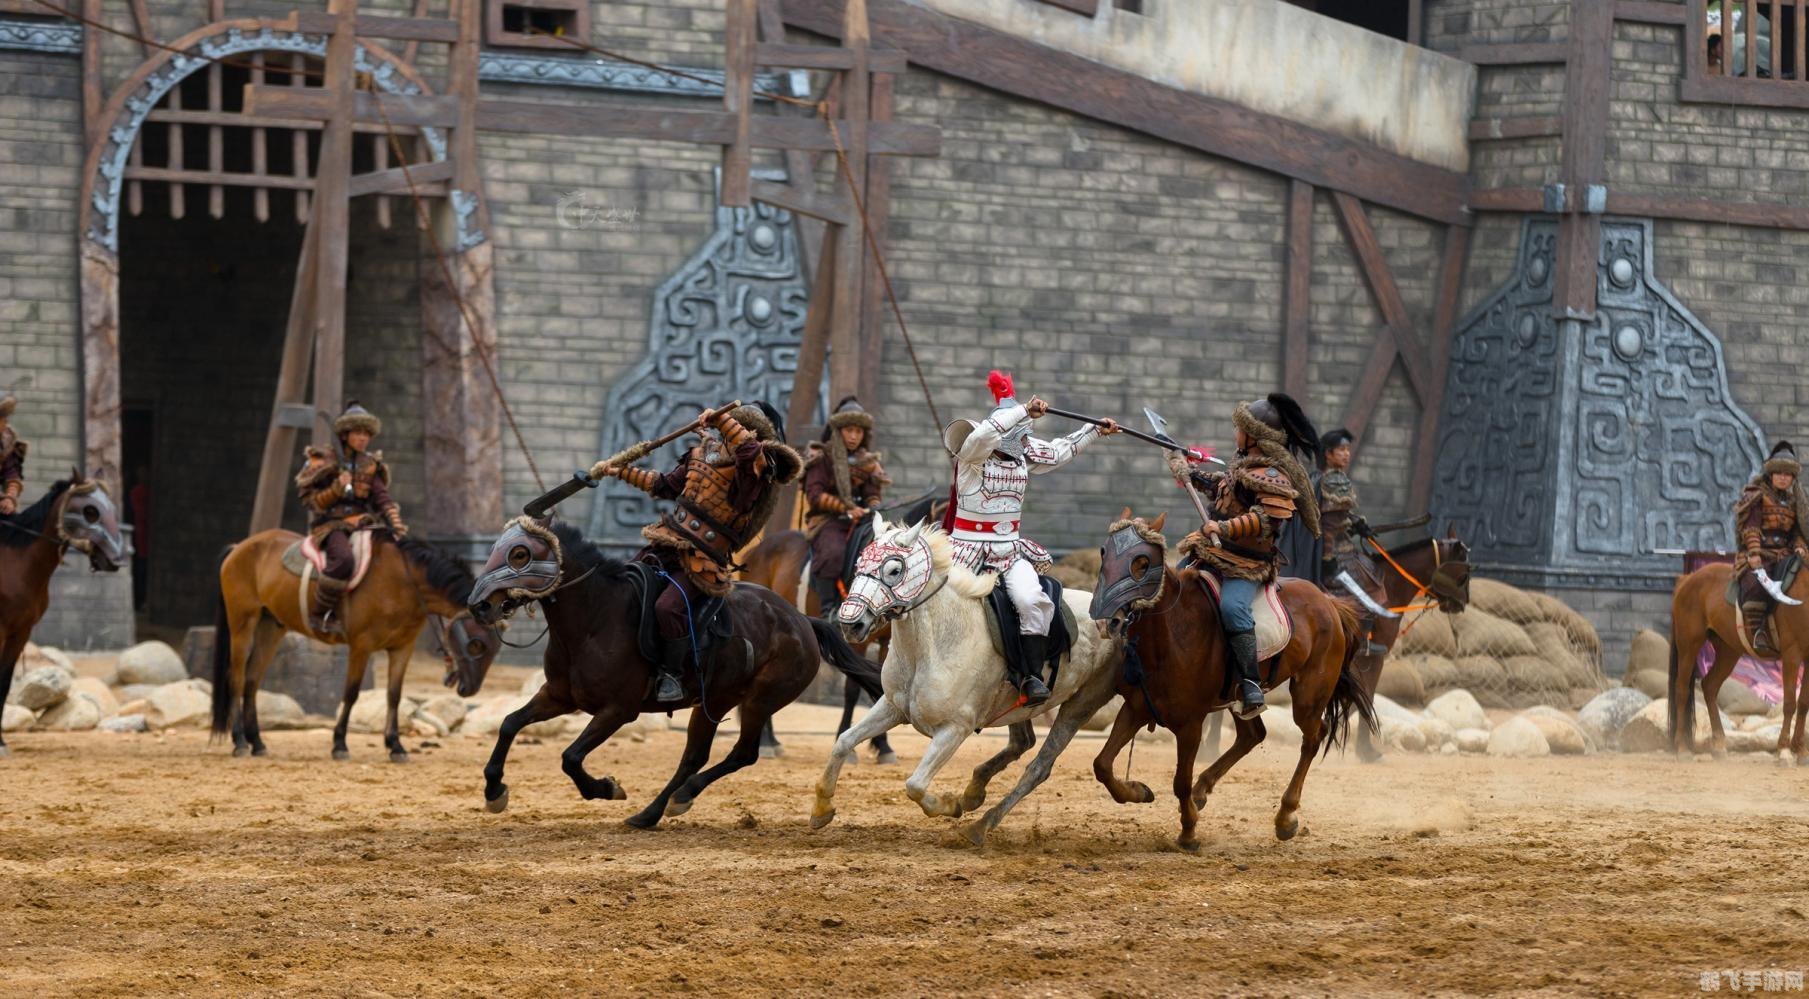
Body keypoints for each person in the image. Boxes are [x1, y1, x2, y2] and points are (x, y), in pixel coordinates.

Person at [592, 401, 802, 704]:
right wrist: (619, 471)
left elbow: (747, 450)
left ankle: (672, 675)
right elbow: (664, 484)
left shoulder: (755, 468)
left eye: (735, 427)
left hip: (703, 560)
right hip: (666, 544)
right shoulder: (702, 453)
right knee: (622, 590)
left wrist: (723, 419)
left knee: (667, 608)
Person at [944, 371, 1119, 707]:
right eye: (1020, 433)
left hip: (1009, 551)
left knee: (1032, 601)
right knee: (935, 598)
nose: (1025, 442)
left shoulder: (1023, 456)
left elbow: (1060, 451)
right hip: (964, 551)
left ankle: (1032, 677)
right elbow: (985, 434)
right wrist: (1023, 409)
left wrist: (1095, 429)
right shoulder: (973, 455)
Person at [1167, 393, 1320, 719]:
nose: (1234, 432)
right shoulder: (1242, 467)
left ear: (1255, 436)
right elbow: (1222, 488)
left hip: (1246, 566)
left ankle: (1250, 684)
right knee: (1169, 588)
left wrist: (1222, 530)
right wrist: (1188, 472)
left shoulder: (1274, 476)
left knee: (1233, 609)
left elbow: (1267, 520)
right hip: (1210, 555)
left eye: (1239, 428)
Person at [293, 402, 407, 636]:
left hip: (363, 524)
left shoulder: (370, 465)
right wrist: (336, 488)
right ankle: (321, 612)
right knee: (344, 559)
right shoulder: (322, 460)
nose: (363, 438)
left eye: (366, 434)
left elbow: (382, 498)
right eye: (358, 433)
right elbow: (312, 502)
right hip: (331, 524)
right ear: (345, 435)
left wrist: (396, 525)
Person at [802, 396, 890, 619]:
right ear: (839, 430)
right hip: (827, 521)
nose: (854, 436)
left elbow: (872, 494)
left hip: (862, 520)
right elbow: (814, 495)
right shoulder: (821, 457)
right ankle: (828, 609)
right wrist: (845, 508)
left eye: (858, 432)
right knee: (833, 552)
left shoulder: (868, 462)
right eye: (849, 430)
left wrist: (873, 506)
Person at [1735, 441, 1809, 657]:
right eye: (1779, 473)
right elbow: (1751, 527)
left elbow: (1796, 532)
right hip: (1761, 554)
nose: (1784, 478)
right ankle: (1758, 632)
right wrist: (1755, 553)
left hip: (1786, 556)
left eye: (1788, 474)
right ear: (1771, 474)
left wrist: (1800, 547)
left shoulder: (1796, 502)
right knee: (1756, 585)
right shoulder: (1757, 496)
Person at [1315, 427, 1383, 654]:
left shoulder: (1329, 478)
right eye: (1341, 449)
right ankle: (1356, 646)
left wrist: (1357, 523)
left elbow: (1339, 516)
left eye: (1347, 449)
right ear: (1328, 454)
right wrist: (1328, 558)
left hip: (1340, 549)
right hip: (1335, 553)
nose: (1346, 454)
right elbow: (1329, 524)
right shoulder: (1334, 481)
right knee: (1356, 599)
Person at [0, 395, 24, 517]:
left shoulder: (6, 442)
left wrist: (9, 498)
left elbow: (12, 475)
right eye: (3, 418)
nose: (6, 422)